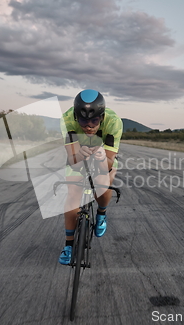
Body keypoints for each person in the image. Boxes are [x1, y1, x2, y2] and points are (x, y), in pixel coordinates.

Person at [59, 89, 123, 265]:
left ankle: (102, 213)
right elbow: (73, 162)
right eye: (83, 120)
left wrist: (101, 158)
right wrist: (79, 155)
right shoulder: (66, 120)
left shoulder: (114, 122)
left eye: (94, 120)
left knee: (103, 183)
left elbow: (108, 165)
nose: (88, 126)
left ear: (102, 117)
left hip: (104, 155)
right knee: (73, 192)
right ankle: (69, 245)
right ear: (75, 116)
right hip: (78, 155)